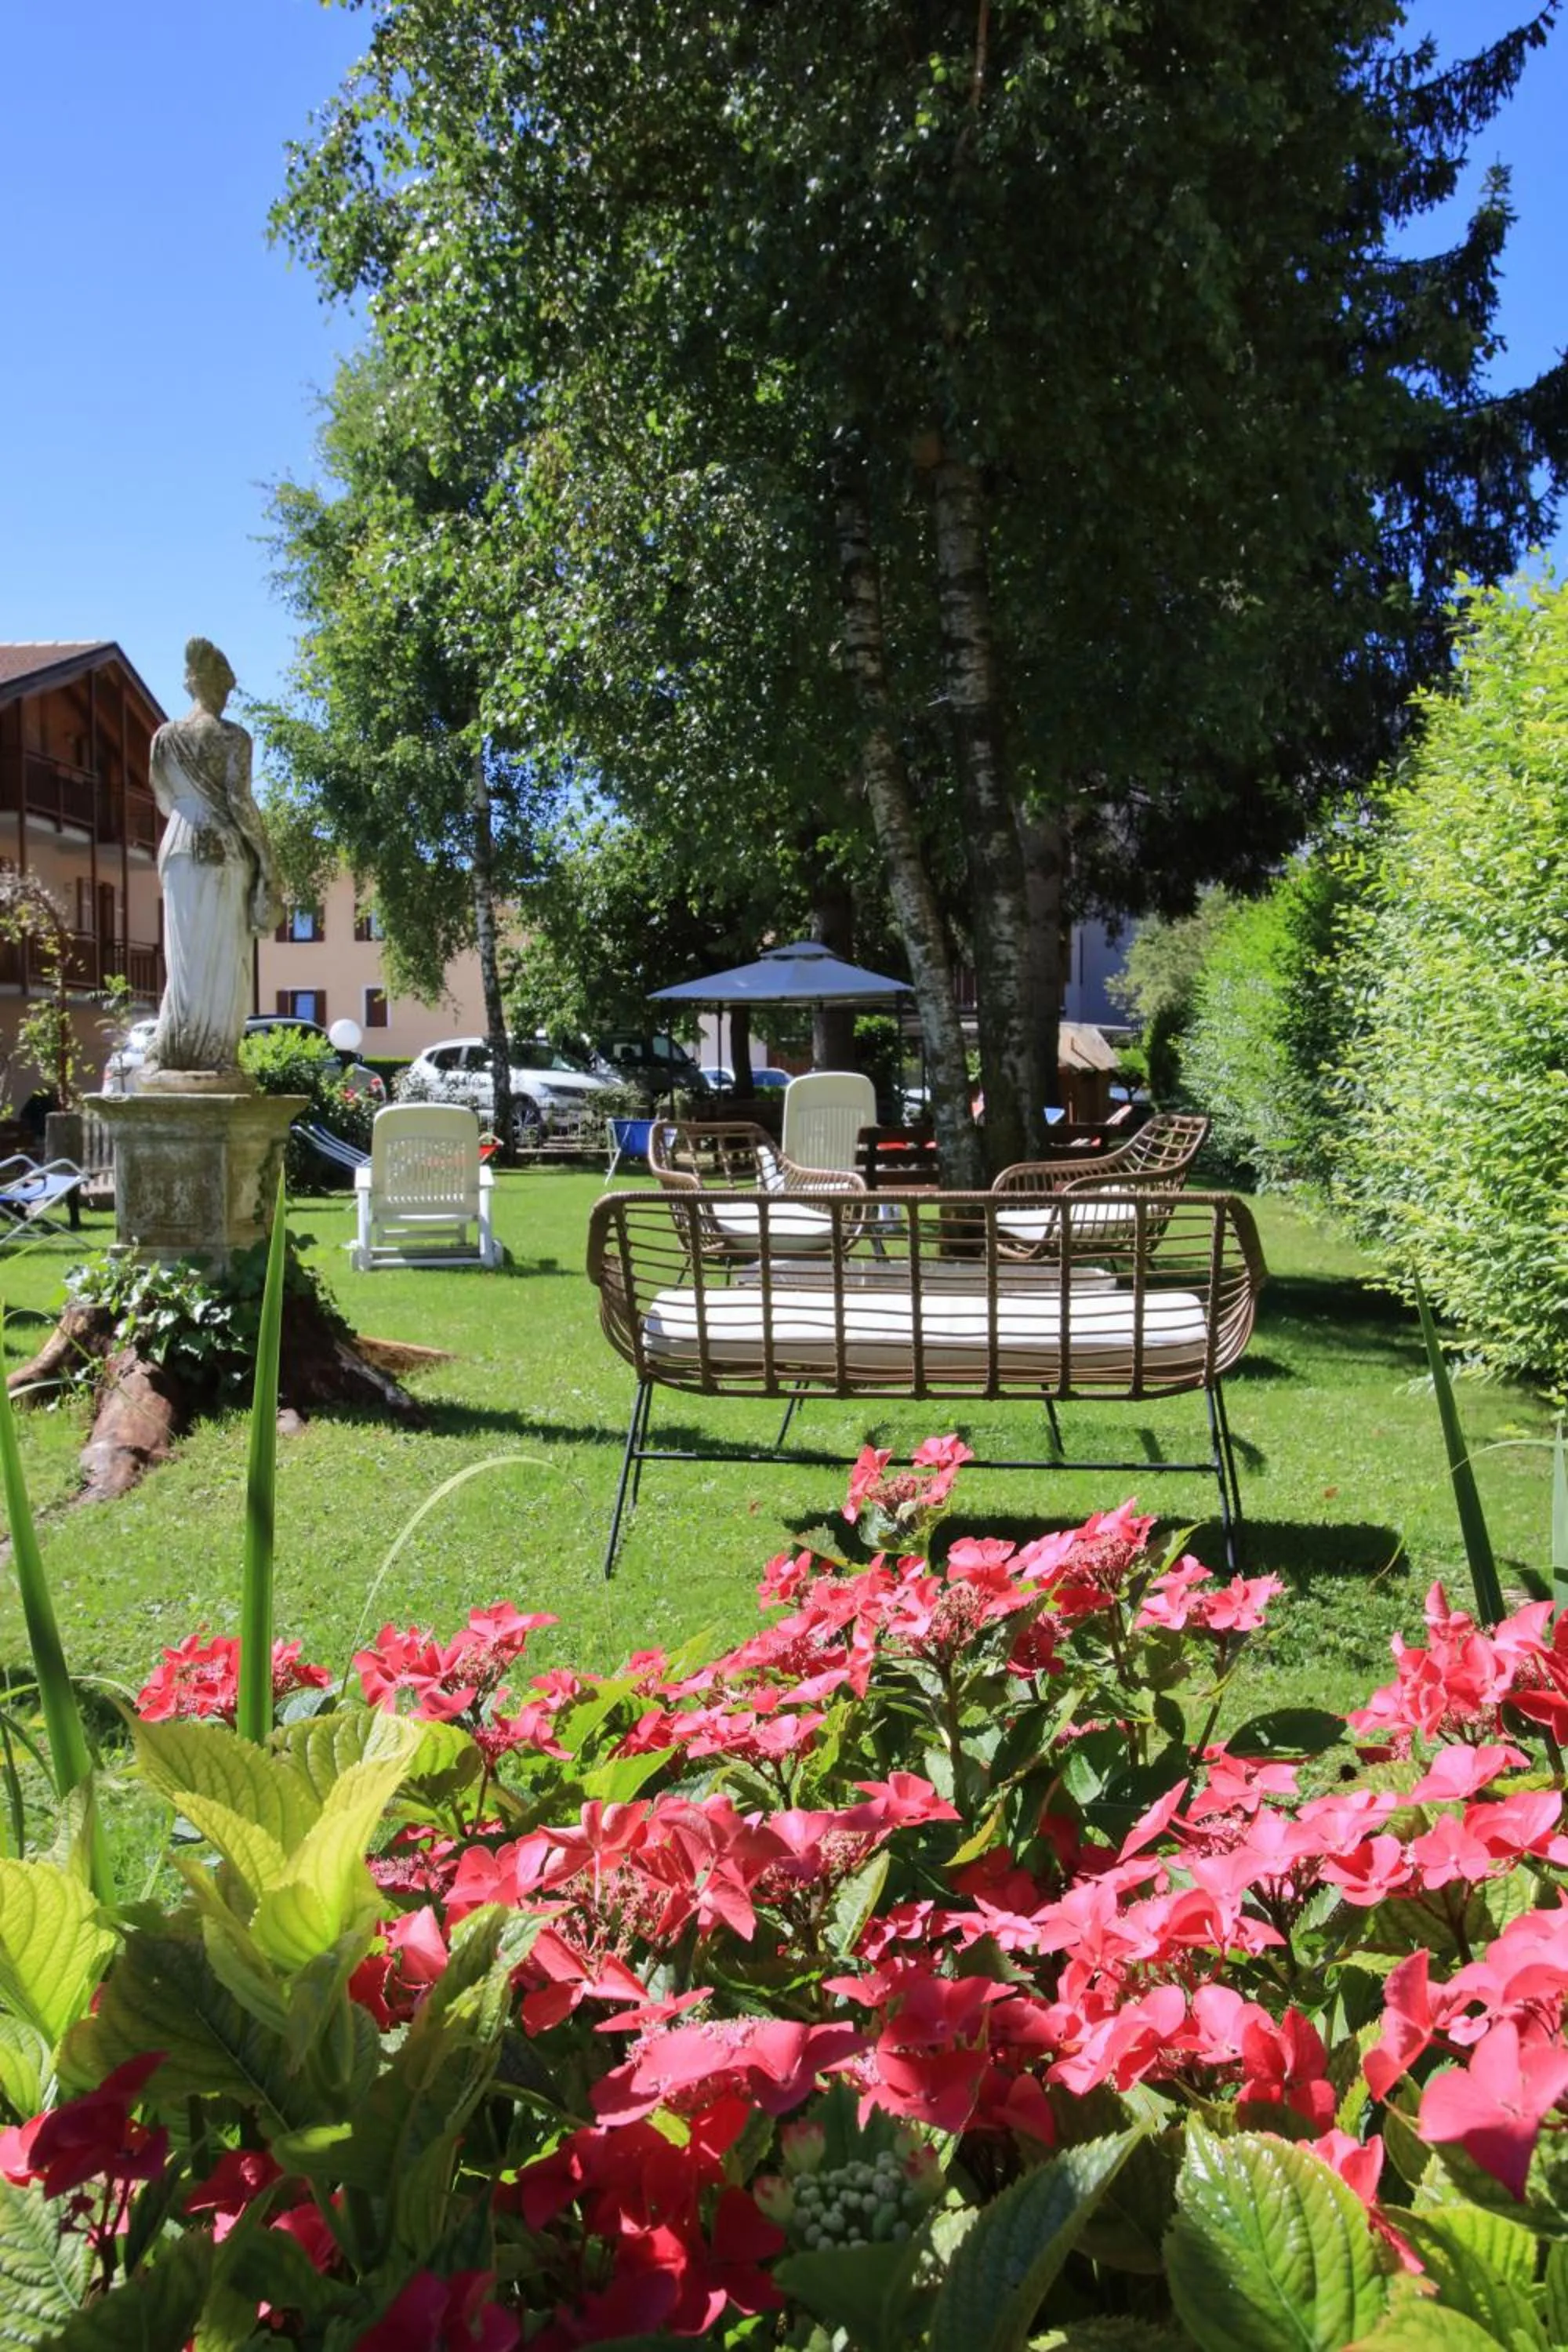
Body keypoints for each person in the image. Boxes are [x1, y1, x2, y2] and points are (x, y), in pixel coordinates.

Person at [145, 638, 279, 1076]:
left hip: (179, 844)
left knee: (183, 960)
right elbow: (240, 801)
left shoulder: (164, 738)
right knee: (224, 960)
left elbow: (164, 799)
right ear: (215, 685)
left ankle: (175, 1049)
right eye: (227, 683)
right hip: (222, 849)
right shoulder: (233, 738)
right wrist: (268, 861)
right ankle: (216, 1054)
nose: (230, 691)